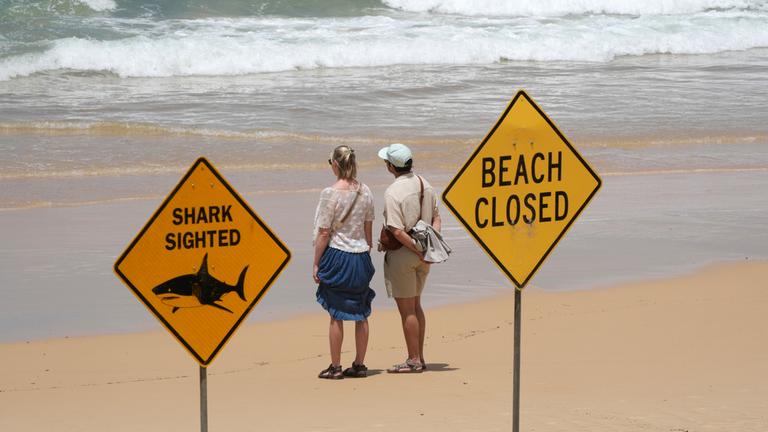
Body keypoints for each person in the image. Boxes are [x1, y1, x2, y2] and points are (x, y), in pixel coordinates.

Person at [313, 145, 376, 379]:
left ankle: (336, 366)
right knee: (361, 312)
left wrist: (316, 263)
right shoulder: (366, 191)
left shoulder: (330, 193)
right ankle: (359, 364)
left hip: (338, 255)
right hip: (360, 256)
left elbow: (323, 232)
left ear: (336, 165)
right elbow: (369, 228)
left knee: (336, 312)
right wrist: (365, 247)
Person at [377, 143, 441, 373]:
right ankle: (420, 356)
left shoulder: (393, 192)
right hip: (424, 256)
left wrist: (417, 249)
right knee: (416, 305)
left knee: (407, 310)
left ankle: (413, 359)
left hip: (405, 255)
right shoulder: (426, 184)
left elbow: (396, 230)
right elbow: (436, 218)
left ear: (391, 167)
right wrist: (428, 249)